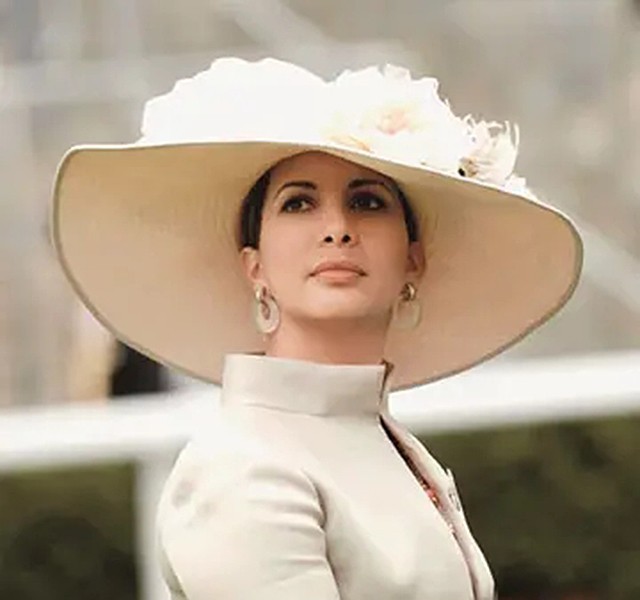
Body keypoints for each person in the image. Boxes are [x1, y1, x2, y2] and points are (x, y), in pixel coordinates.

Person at [49, 58, 583, 600]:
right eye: (299, 203)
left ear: (412, 259)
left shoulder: (385, 440)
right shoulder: (242, 469)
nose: (337, 229)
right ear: (254, 266)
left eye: (367, 201)